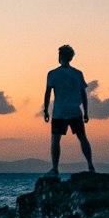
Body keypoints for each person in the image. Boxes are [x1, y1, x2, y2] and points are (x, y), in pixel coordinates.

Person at [43, 44, 95, 176]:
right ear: (71, 58)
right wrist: (86, 112)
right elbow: (83, 94)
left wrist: (45, 110)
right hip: (75, 111)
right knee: (82, 138)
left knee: (55, 140)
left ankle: (55, 168)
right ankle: (91, 166)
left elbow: (48, 93)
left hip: (59, 112)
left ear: (60, 57)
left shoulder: (53, 74)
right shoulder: (77, 74)